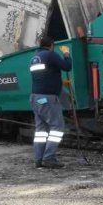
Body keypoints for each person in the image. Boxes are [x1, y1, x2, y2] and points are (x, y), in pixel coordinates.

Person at [29, 35, 71, 169]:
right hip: (48, 99)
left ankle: (38, 159)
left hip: (35, 98)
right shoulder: (50, 55)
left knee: (41, 130)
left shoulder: (35, 58)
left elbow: (45, 75)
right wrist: (66, 54)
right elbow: (67, 67)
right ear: (51, 45)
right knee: (57, 127)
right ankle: (49, 158)